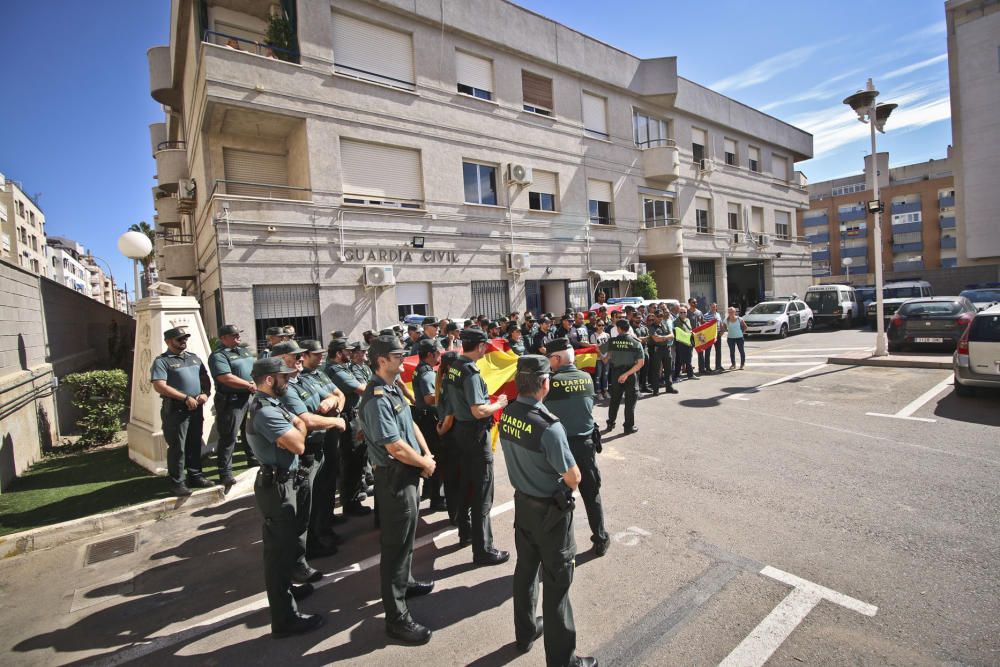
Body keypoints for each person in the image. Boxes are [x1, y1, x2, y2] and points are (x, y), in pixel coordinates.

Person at [499, 354, 596, 667]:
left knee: (526, 571)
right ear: (543, 383)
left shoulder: (508, 412)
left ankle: (525, 633)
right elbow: (574, 477)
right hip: (550, 514)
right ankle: (562, 660)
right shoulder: (549, 426)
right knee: (557, 584)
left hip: (523, 506)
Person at [358, 335, 437, 645]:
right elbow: (394, 446)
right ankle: (397, 619)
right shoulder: (376, 398)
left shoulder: (391, 390)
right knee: (395, 548)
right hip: (395, 476)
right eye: (397, 355)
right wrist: (424, 464)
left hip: (408, 471)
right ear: (381, 360)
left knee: (407, 537)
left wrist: (426, 453)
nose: (403, 359)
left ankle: (405, 583)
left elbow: (411, 424)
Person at [245, 356, 324, 638]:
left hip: (283, 481)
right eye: (284, 377)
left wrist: (295, 423)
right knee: (277, 557)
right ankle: (285, 619)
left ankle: (288, 596)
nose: (288, 380)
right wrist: (300, 425)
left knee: (286, 545)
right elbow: (299, 444)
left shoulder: (270, 404)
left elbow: (294, 428)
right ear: (269, 380)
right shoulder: (265, 411)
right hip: (276, 487)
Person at [270, 341, 346, 566]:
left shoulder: (302, 380)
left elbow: (333, 395)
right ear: (280, 360)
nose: (300, 359)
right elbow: (307, 420)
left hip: (318, 446)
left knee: (319, 496)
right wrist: (335, 420)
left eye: (300, 355)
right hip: (304, 451)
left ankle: (317, 538)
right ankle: (304, 555)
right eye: (294, 356)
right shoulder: (284, 388)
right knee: (304, 506)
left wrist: (332, 401)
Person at [446, 327, 510, 564]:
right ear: (481, 346)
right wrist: (500, 403)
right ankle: (483, 549)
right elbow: (479, 409)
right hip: (474, 433)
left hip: (461, 432)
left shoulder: (455, 366)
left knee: (467, 484)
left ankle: (465, 533)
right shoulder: (470, 372)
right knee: (483, 492)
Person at [544, 338, 609, 556]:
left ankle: (560, 547)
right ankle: (600, 538)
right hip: (585, 444)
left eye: (549, 358)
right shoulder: (586, 377)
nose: (548, 362)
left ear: (557, 358)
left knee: (560, 498)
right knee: (591, 494)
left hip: (560, 448)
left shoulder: (549, 382)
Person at [297, 339, 348, 552]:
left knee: (327, 482)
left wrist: (333, 407)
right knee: (315, 489)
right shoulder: (301, 380)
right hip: (313, 440)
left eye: (321, 354)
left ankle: (325, 525)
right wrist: (332, 411)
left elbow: (339, 395)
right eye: (315, 354)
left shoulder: (319, 375)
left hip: (329, 432)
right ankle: (315, 536)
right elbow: (308, 418)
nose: (320, 358)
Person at [150, 327, 213, 496]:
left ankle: (195, 476)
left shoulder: (194, 358)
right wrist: (185, 398)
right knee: (178, 447)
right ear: (168, 342)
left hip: (196, 408)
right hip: (177, 410)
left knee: (194, 443)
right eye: (179, 339)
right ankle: (178, 482)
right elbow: (159, 385)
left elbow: (204, 379)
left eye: (185, 338)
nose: (183, 341)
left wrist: (205, 394)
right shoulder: (162, 361)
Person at [324, 339, 371, 519]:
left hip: (354, 415)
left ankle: (353, 499)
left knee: (357, 458)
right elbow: (360, 388)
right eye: (347, 351)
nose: (351, 354)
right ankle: (350, 503)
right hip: (348, 418)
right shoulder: (335, 370)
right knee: (351, 460)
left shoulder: (345, 368)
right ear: (338, 353)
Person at [208, 324, 258, 484]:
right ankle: (225, 473)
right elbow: (225, 377)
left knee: (249, 431)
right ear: (223, 338)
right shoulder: (219, 356)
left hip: (249, 397)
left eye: (238, 334)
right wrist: (248, 384)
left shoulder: (244, 351)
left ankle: (253, 459)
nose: (238, 337)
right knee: (229, 436)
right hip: (232, 400)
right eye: (234, 335)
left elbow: (254, 367)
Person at [412, 338, 447, 513]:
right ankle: (437, 499)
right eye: (437, 353)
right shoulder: (426, 373)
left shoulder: (421, 370)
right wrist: (447, 396)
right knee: (436, 458)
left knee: (431, 455)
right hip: (428, 420)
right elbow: (429, 398)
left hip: (423, 418)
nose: (440, 355)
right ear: (429, 355)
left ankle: (428, 491)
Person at [601, 319, 643, 435]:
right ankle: (628, 427)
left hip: (616, 374)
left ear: (619, 329)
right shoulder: (635, 342)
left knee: (614, 400)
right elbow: (640, 363)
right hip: (630, 374)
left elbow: (602, 355)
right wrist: (626, 374)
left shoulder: (612, 342)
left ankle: (610, 423)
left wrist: (604, 354)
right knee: (630, 402)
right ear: (628, 328)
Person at [648, 312, 678, 395]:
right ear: (654, 317)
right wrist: (666, 337)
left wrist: (663, 338)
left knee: (668, 369)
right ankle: (655, 389)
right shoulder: (651, 327)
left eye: (661, 316)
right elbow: (656, 339)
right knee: (656, 370)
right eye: (658, 316)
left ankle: (669, 387)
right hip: (657, 350)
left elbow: (672, 335)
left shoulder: (664, 324)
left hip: (666, 349)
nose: (660, 318)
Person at [672, 307, 695, 382]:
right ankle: (676, 376)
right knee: (679, 360)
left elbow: (689, 329)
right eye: (681, 312)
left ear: (686, 313)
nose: (683, 314)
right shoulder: (675, 321)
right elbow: (676, 333)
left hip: (688, 343)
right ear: (679, 313)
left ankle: (690, 375)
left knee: (688, 359)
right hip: (680, 343)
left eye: (684, 312)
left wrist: (691, 333)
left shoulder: (688, 320)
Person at [589, 320, 610, 401]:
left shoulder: (607, 335)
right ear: (596, 326)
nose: (601, 327)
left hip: (607, 358)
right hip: (598, 359)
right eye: (599, 325)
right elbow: (595, 349)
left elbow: (610, 347)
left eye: (602, 325)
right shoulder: (593, 335)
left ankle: (605, 391)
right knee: (598, 376)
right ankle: (598, 392)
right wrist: (602, 358)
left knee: (605, 375)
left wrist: (607, 357)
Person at [687, 298, 707, 375]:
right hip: (690, 335)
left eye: (695, 302)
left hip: (699, 335)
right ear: (689, 303)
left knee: (701, 352)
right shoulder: (687, 312)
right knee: (689, 353)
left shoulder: (699, 312)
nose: (695, 303)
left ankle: (702, 369)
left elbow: (703, 322)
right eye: (693, 302)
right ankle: (689, 370)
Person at [704, 303, 724, 373]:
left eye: (714, 307)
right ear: (710, 307)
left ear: (716, 307)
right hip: (710, 335)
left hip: (718, 334)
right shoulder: (706, 315)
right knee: (707, 351)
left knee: (718, 351)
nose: (713, 308)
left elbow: (721, 323)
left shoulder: (718, 314)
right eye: (712, 307)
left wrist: (722, 331)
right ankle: (707, 367)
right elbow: (704, 326)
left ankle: (718, 366)